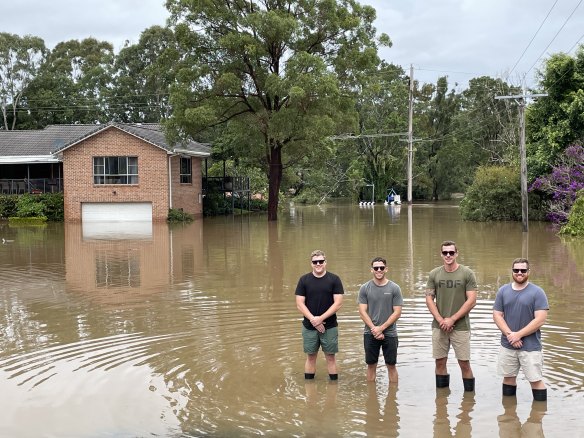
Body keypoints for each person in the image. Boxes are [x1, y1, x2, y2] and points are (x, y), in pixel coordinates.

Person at [493, 258, 549, 401]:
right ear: (512, 271)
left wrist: (518, 335)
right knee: (508, 378)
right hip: (508, 345)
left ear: (528, 272)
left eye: (523, 270)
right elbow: (497, 315)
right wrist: (510, 335)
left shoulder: (538, 292)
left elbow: (540, 319)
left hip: (530, 347)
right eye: (516, 270)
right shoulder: (503, 291)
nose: (519, 273)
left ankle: (538, 417)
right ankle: (509, 414)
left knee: (535, 380)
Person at [425, 240, 477, 391]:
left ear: (456, 254)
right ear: (441, 254)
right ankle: (441, 403)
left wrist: (452, 319)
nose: (448, 255)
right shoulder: (434, 274)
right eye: (445, 253)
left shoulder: (467, 273)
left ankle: (468, 401)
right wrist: (441, 320)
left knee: (464, 363)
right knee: (440, 363)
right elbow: (429, 299)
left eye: (451, 252)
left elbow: (472, 300)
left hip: (460, 327)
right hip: (439, 326)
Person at [295, 250, 344, 380]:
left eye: (321, 261)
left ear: (325, 262)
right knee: (311, 357)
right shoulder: (304, 280)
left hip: (330, 326)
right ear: (311, 263)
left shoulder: (334, 279)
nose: (318, 264)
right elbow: (300, 304)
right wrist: (313, 320)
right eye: (315, 262)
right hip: (309, 326)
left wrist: (320, 319)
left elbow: (338, 303)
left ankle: (333, 389)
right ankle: (309, 390)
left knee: (330, 357)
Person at [358, 257, 403, 382]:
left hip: (390, 333)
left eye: (381, 268)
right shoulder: (364, 288)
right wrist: (374, 329)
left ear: (386, 269)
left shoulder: (395, 288)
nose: (379, 270)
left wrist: (381, 328)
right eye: (376, 268)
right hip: (370, 333)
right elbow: (362, 312)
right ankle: (371, 396)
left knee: (391, 365)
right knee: (371, 365)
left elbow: (397, 312)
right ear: (371, 270)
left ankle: (392, 399)